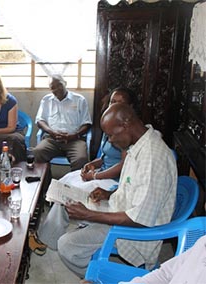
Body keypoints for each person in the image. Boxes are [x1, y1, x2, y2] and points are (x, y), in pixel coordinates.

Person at [34, 103, 177, 278]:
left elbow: (139, 219)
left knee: (68, 246)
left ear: (125, 124)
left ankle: (100, 279)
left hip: (133, 232)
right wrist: (108, 194)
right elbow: (134, 187)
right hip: (118, 209)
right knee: (66, 202)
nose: (109, 140)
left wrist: (88, 215)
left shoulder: (153, 157)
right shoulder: (139, 144)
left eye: (110, 135)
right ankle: (46, 242)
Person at [30, 87, 137, 256]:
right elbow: (105, 155)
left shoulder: (125, 130)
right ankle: (49, 235)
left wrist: (94, 175)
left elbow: (124, 165)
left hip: (113, 182)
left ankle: (48, 237)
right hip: (102, 172)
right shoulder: (110, 123)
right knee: (64, 184)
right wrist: (92, 164)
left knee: (70, 195)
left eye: (119, 103)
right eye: (112, 102)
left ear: (129, 108)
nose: (114, 106)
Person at [34, 75, 92, 170]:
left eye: (59, 85)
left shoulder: (79, 100)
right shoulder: (46, 100)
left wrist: (74, 135)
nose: (57, 89)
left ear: (65, 83)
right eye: (53, 87)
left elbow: (86, 123)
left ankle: (73, 184)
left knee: (81, 159)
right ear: (50, 89)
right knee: (37, 152)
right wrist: (52, 132)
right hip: (52, 139)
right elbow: (40, 120)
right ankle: (45, 183)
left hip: (74, 140)